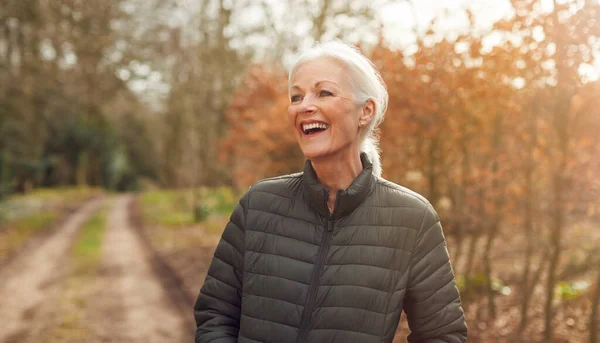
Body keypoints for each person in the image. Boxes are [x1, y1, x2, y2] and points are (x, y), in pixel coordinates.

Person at [194, 40, 467, 343]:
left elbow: (443, 334)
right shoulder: (258, 204)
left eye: (324, 92)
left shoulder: (412, 218)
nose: (304, 105)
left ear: (366, 111)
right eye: (296, 96)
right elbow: (214, 315)